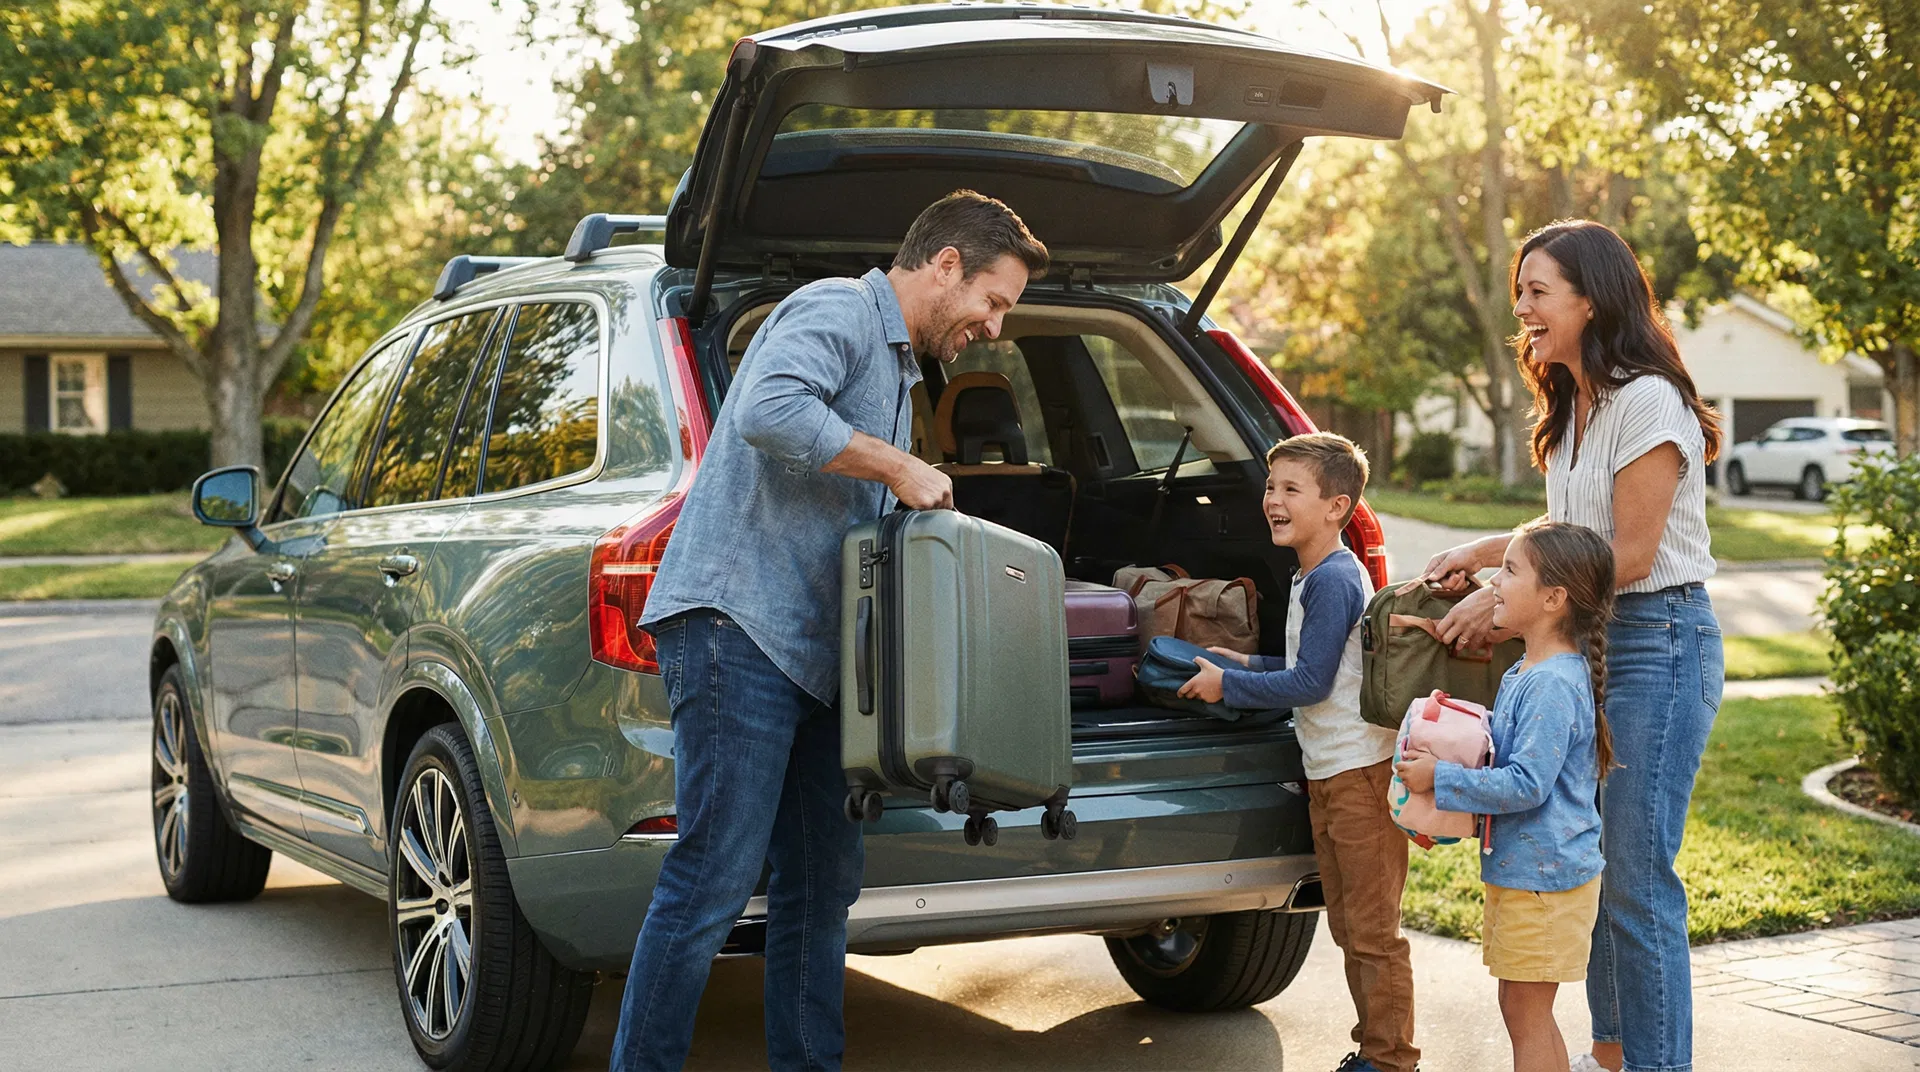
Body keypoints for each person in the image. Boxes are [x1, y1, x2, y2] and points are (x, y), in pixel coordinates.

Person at [611, 190, 1049, 1072]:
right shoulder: (837, 309)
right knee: (712, 876)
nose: (995, 327)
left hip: (817, 659)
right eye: (994, 301)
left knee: (823, 886)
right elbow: (767, 409)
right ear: (947, 264)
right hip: (739, 626)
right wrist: (898, 464)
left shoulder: (898, 367)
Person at [1420, 220, 1725, 1072]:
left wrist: (1502, 599)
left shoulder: (1647, 402)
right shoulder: (1573, 408)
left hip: (1659, 646)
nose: (1522, 309)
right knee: (1590, 872)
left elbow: (1626, 554)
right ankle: (1611, 1055)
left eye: (1537, 291)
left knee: (1636, 881)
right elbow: (1570, 535)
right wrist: (1486, 556)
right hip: (1597, 645)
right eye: (1520, 291)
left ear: (1592, 299)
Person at [1180, 432, 1417, 1072]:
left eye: (1291, 489)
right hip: (1331, 772)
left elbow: (1310, 684)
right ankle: (1375, 1050)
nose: (1272, 500)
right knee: (1348, 926)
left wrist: (1229, 684)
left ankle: (1391, 1060)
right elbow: (1320, 665)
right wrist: (1248, 661)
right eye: (1270, 486)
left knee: (1372, 933)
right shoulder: (1315, 573)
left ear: (1337, 507)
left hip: (1359, 774)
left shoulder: (1336, 576)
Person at [1397, 521, 1616, 1072]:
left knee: (1526, 1012)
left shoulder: (1551, 682)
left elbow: (1526, 784)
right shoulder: (1526, 669)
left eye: (1510, 571)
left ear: (1553, 599)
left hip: (1546, 881)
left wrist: (1439, 779)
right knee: (1520, 1007)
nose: (1494, 582)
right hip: (1526, 874)